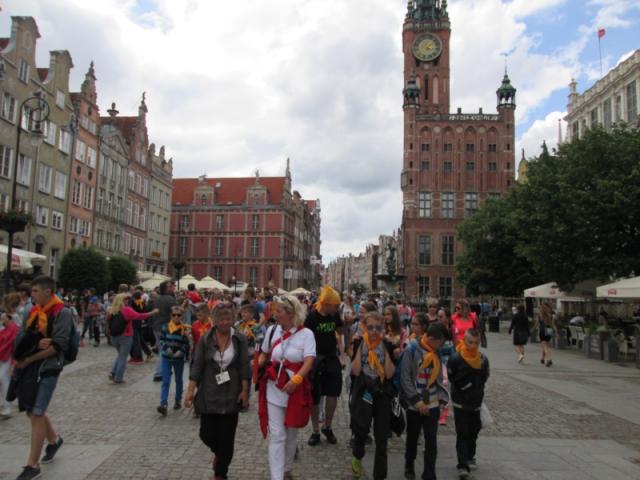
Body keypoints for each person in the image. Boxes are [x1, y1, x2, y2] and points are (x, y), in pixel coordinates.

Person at [11, 276, 74, 480]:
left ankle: (32, 465)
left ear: (48, 291)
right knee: (32, 411)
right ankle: (54, 440)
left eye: (36, 291)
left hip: (49, 368)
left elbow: (58, 346)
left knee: (37, 412)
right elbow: (20, 337)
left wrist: (29, 359)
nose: (32, 294)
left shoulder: (63, 312)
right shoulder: (33, 311)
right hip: (31, 367)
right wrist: (35, 344)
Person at [185, 303, 251, 480]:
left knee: (227, 438)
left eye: (228, 319)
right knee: (206, 433)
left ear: (233, 319)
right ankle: (220, 454)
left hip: (232, 393)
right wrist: (190, 391)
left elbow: (244, 367)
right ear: (214, 320)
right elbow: (197, 366)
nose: (225, 322)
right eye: (221, 319)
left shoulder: (240, 339)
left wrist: (245, 392)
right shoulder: (206, 339)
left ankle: (220, 473)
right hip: (209, 392)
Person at [257, 295, 315, 480]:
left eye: (279, 311)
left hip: (294, 391)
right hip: (274, 389)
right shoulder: (272, 331)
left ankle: (286, 469)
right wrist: (259, 364)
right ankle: (277, 477)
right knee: (277, 435)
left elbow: (309, 361)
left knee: (291, 434)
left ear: (290, 313)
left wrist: (296, 380)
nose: (275, 314)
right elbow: (264, 353)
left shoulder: (306, 334)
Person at [350, 311, 395, 479]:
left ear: (383, 327)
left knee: (382, 437)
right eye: (370, 327)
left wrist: (388, 350)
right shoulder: (360, 343)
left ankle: (380, 475)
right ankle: (357, 455)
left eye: (378, 327)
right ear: (364, 327)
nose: (374, 331)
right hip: (365, 391)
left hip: (382, 392)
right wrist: (358, 346)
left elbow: (389, 374)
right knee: (361, 429)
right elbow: (355, 371)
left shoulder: (386, 344)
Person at [400, 322, 447, 480]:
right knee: (412, 438)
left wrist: (440, 398)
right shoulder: (412, 349)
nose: (441, 346)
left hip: (432, 402)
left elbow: (439, 377)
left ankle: (429, 473)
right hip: (415, 404)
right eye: (440, 342)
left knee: (431, 440)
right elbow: (405, 377)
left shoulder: (436, 352)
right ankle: (409, 465)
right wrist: (416, 401)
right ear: (432, 339)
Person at [305, 285, 345, 446]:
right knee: (315, 396)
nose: (337, 309)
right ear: (326, 304)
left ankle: (327, 426)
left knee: (333, 393)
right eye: (335, 306)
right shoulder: (312, 318)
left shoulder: (335, 316)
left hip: (331, 358)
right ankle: (315, 430)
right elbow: (305, 339)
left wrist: (342, 354)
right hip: (315, 360)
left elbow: (340, 333)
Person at [447, 328, 490, 479]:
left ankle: (470, 456)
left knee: (474, 431)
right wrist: (464, 387)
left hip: (476, 402)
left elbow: (485, 377)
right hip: (461, 403)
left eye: (476, 343)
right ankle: (462, 465)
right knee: (463, 433)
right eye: (470, 342)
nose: (473, 346)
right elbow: (452, 378)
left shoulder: (483, 359)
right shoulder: (456, 358)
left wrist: (477, 391)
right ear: (464, 341)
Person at [108, 294, 158, 384]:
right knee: (123, 357)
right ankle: (118, 378)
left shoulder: (111, 310)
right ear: (122, 301)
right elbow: (140, 316)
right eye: (126, 299)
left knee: (120, 355)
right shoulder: (127, 310)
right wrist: (153, 312)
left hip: (114, 337)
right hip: (125, 336)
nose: (128, 300)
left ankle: (113, 373)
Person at [157, 306, 191, 415]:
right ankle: (163, 403)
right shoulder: (165, 327)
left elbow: (187, 344)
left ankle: (177, 399)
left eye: (179, 315)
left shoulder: (184, 329)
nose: (176, 317)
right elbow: (161, 340)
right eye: (174, 315)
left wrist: (181, 351)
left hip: (178, 359)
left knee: (178, 380)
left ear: (182, 316)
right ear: (170, 316)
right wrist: (166, 349)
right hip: (166, 358)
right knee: (166, 380)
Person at [151, 281, 177, 382]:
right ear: (166, 288)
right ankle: (159, 373)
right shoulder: (170, 299)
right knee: (164, 350)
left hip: (156, 327)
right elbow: (176, 313)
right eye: (170, 286)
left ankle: (165, 369)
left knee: (163, 349)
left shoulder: (157, 298)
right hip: (165, 328)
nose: (173, 287)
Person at [0, 293, 21, 419]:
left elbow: (18, 335)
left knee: (3, 378)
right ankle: (4, 404)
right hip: (4, 351)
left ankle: (7, 406)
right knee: (3, 379)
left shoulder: (15, 318)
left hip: (8, 353)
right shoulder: (6, 316)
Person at [534, 302, 557, 367]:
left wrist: (533, 329)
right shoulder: (551, 315)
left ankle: (549, 359)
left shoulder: (539, 315)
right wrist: (556, 332)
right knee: (546, 345)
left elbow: (536, 324)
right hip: (549, 331)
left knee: (545, 346)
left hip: (542, 331)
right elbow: (553, 325)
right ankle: (542, 358)